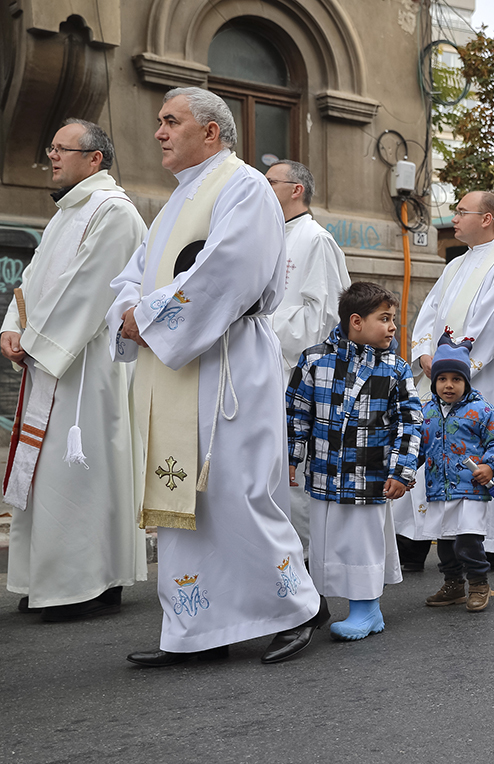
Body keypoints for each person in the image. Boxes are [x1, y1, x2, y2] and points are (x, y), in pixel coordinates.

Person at [106, 86, 324, 666]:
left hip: (228, 368)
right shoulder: (177, 200)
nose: (158, 132)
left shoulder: (244, 186)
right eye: (158, 121)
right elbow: (134, 274)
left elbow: (228, 270)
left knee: (237, 493)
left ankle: (294, 609)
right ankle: (198, 629)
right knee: (183, 507)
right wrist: (128, 314)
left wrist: (147, 317)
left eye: (170, 121)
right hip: (178, 371)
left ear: (210, 132)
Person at [1, 119, 148, 621]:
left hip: (88, 370)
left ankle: (87, 583)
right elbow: (33, 281)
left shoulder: (115, 213)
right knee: (45, 476)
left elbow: (89, 290)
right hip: (50, 360)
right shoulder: (66, 214)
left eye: (63, 150)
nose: (53, 158)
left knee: (79, 474)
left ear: (95, 159)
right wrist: (12, 326)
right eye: (52, 148)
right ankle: (44, 578)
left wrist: (37, 341)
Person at [395, 191, 494, 574]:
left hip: (482, 381)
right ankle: (418, 541)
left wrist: (453, 366)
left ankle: (493, 547)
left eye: (461, 211)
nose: (453, 218)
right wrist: (425, 353)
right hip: (441, 378)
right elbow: (430, 312)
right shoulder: (454, 265)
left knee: (476, 453)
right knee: (431, 450)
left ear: (486, 218)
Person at [287, 282, 420, 638]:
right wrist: (290, 456)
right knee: (327, 539)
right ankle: (321, 605)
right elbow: (297, 412)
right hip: (324, 473)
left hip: (370, 474)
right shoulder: (315, 360)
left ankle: (367, 610)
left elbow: (410, 422)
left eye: (393, 319)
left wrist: (402, 472)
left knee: (361, 541)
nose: (393, 327)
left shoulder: (395, 368)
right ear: (356, 321)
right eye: (385, 319)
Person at [264, 158, 349, 557]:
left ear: (295, 189)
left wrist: (262, 326)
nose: (263, 188)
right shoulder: (268, 235)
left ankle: (309, 566)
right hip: (266, 371)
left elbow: (325, 317)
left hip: (297, 374)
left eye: (271, 182)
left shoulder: (316, 239)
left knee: (298, 473)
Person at [419, 333, 494, 611]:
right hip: (439, 489)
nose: (449, 385)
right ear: (434, 381)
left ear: (466, 381)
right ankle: (454, 584)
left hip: (470, 488)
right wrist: (404, 474)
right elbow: (417, 448)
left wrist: (489, 465)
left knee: (468, 541)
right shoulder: (426, 412)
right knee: (445, 544)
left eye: (456, 379)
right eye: (442, 379)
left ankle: (479, 583)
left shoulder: (481, 410)